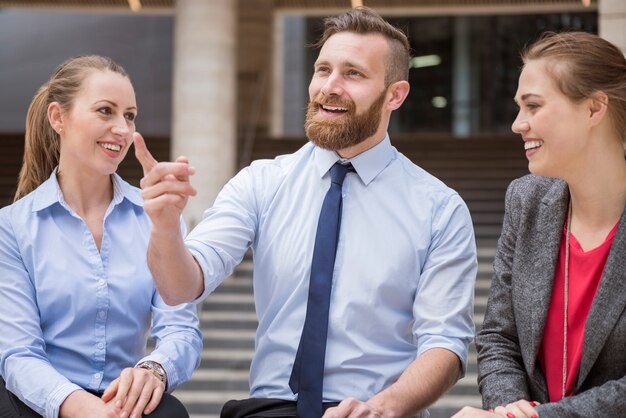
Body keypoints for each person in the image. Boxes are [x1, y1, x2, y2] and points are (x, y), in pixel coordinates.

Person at [137, 7, 476, 418]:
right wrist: (165, 225)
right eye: (323, 70)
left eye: (353, 74)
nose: (329, 87)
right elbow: (179, 287)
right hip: (271, 408)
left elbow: (445, 344)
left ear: (395, 95)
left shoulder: (439, 209)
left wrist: (381, 409)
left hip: (377, 411)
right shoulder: (261, 181)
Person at [0, 55, 203, 418]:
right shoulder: (12, 227)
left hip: (125, 401)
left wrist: (153, 370)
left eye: (129, 115)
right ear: (57, 118)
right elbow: (18, 353)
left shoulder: (156, 217)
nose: (123, 129)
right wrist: (81, 407)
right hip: (44, 400)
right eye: (106, 111)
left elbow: (181, 329)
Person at [452, 31, 626, 418]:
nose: (518, 124)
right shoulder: (527, 201)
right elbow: (499, 338)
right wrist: (507, 409)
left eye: (533, 106)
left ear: (595, 108)